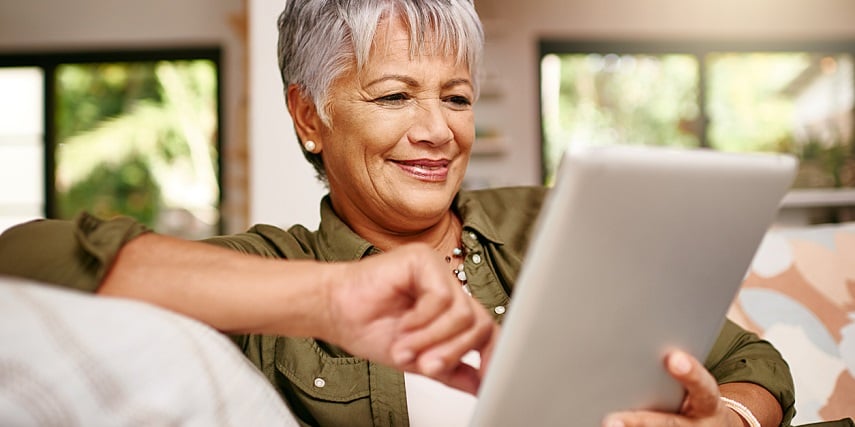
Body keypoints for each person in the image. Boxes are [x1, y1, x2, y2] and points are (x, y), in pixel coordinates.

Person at [0, 1, 796, 426]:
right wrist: (328, 300)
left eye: (455, 97)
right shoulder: (273, 270)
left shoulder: (550, 220)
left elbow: (755, 365)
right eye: (392, 96)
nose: (436, 130)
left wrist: (726, 418)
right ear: (308, 116)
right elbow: (25, 262)